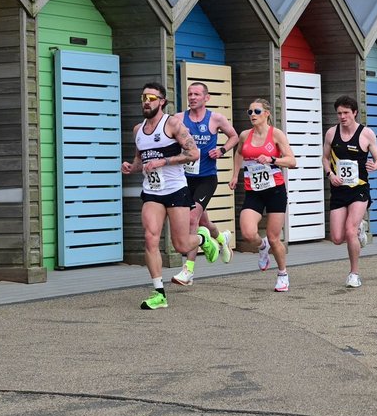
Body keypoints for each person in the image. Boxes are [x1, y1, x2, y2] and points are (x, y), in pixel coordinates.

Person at [122, 82, 219, 310]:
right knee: (150, 238)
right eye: (144, 97)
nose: (147, 102)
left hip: (176, 190)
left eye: (152, 98)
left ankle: (203, 238)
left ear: (162, 102)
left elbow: (194, 153)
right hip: (152, 192)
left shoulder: (173, 124)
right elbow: (141, 160)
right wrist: (131, 167)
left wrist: (164, 161)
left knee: (181, 245)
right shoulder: (138, 130)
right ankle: (159, 292)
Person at [170, 82, 238, 287]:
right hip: (184, 178)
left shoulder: (215, 118)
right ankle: (222, 239)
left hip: (207, 178)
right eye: (190, 94)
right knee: (203, 223)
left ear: (206, 98)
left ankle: (188, 271)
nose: (192, 97)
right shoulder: (179, 119)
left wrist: (222, 150)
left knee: (192, 218)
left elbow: (234, 136)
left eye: (197, 94)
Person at [230, 99, 298, 292]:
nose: (252, 114)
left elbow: (292, 161)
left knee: (274, 237)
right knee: (248, 233)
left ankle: (282, 274)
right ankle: (262, 247)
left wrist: (272, 159)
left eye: (257, 111)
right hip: (254, 191)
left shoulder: (276, 134)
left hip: (275, 190)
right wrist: (235, 175)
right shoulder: (245, 135)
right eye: (249, 111)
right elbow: (239, 153)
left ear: (267, 113)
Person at [321, 95, 377, 287]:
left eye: (346, 113)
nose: (342, 116)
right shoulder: (331, 133)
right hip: (339, 190)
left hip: (359, 189)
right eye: (339, 113)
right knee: (337, 238)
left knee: (350, 231)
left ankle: (354, 273)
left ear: (354, 113)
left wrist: (376, 165)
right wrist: (330, 174)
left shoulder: (366, 134)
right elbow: (324, 158)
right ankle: (360, 228)